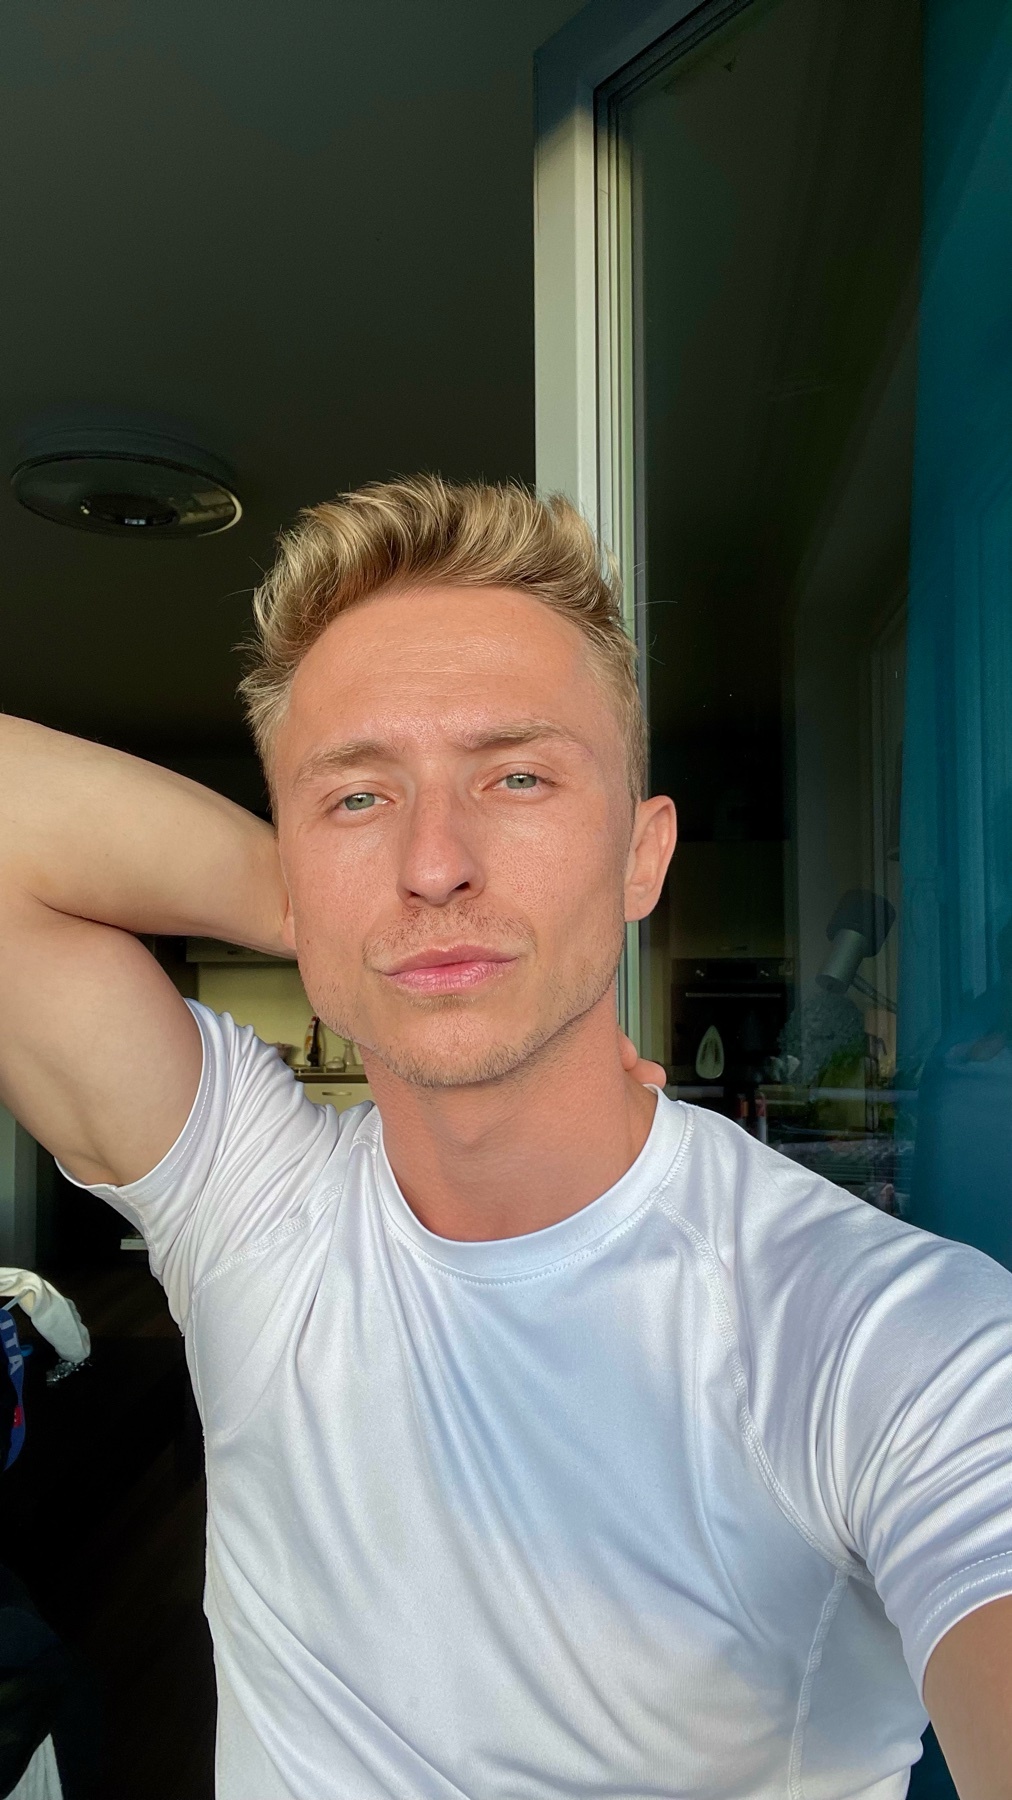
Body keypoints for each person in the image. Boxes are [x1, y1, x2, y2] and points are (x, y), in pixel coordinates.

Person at [0, 476, 1010, 1800]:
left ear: (641, 857)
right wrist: (322, 908)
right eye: (359, 798)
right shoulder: (253, 1204)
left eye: (517, 776)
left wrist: (361, 894)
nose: (436, 862)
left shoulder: (882, 1336)